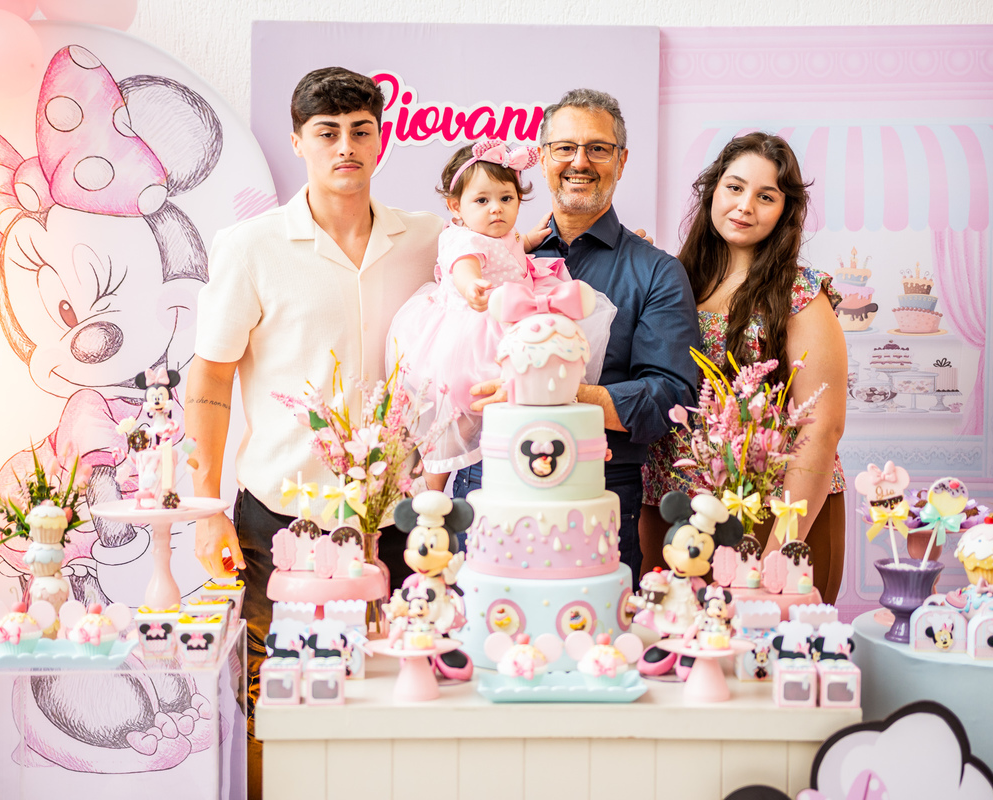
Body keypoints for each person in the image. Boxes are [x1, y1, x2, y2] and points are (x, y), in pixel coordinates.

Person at [184, 67, 441, 799]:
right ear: (298, 141)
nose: (345, 147)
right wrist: (205, 510)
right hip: (280, 517)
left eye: (361, 130)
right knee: (270, 701)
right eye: (327, 133)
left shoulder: (427, 239)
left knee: (398, 690)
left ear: (383, 139)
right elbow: (210, 378)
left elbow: (496, 262)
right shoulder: (251, 245)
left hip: (398, 519)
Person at [458, 89, 701, 581]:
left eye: (598, 148)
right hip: (488, 476)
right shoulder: (489, 259)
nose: (580, 161)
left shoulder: (657, 272)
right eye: (565, 147)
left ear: (622, 161)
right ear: (543, 158)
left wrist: (551, 394)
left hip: (598, 485)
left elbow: (671, 399)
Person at [639, 131, 849, 602]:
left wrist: (778, 551)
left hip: (774, 514)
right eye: (734, 187)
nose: (745, 206)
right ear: (712, 190)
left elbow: (824, 427)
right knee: (673, 637)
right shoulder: (670, 280)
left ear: (785, 210)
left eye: (766, 196)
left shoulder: (800, 293)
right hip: (671, 511)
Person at [386, 141, 615, 489]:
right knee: (458, 419)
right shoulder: (462, 240)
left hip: (510, 323)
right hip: (472, 333)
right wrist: (471, 287)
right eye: (482, 201)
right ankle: (431, 485)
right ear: (456, 207)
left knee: (529, 390)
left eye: (506, 199)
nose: (496, 209)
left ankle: (548, 452)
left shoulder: (503, 234)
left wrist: (529, 240)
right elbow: (464, 266)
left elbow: (509, 248)